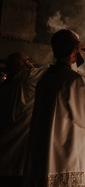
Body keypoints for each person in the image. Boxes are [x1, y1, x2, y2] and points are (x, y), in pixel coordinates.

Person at [24, 29, 85, 186]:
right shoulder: (75, 80)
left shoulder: (45, 79)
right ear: (75, 50)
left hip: (46, 148)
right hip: (69, 150)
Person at [0, 52, 46, 186]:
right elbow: (55, 71)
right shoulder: (27, 77)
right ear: (22, 64)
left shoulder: (5, 86)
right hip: (17, 157)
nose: (32, 63)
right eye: (29, 60)